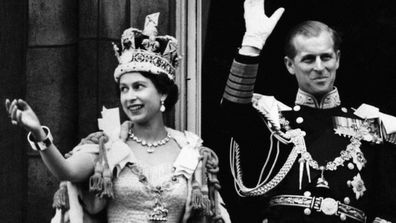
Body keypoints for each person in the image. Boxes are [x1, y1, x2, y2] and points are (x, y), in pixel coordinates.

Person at [6, 13, 230, 223]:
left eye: (138, 87)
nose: (130, 97)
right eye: (124, 89)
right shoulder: (109, 145)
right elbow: (67, 170)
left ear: (163, 93)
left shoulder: (189, 149)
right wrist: (38, 133)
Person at [221, 0, 396, 222]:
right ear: (289, 65)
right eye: (308, 59)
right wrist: (251, 45)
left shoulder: (370, 126)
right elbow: (232, 115)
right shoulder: (276, 121)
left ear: (338, 59)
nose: (319, 67)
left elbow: (388, 208)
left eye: (326, 57)